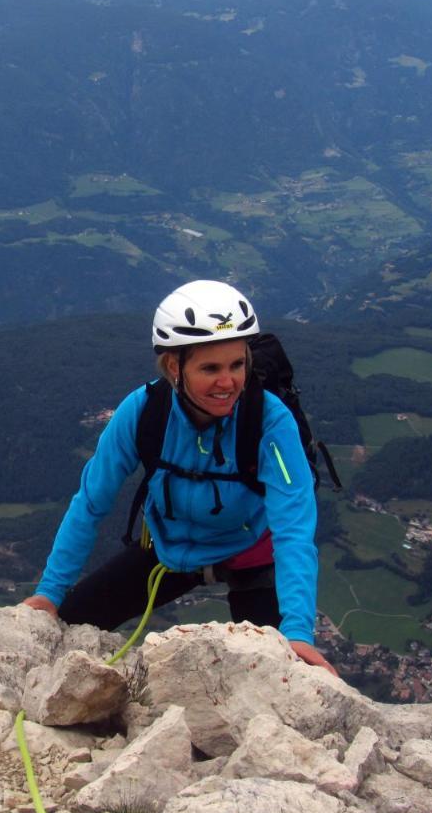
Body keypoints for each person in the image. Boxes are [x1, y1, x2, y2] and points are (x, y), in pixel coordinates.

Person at [22, 279, 336, 676]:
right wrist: (50, 593)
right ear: (174, 366)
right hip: (170, 548)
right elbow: (90, 503)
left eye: (237, 364)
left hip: (251, 553)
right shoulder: (144, 412)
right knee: (65, 626)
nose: (229, 383)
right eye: (210, 368)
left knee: (276, 673)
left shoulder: (270, 421)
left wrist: (296, 632)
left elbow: (293, 528)